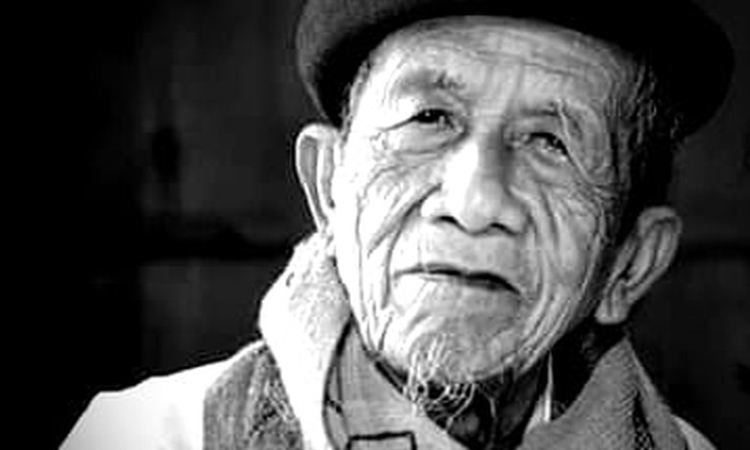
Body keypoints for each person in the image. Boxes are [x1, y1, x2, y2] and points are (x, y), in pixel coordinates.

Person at [61, 0, 734, 449]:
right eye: (428, 118)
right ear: (329, 187)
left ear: (629, 265)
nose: (474, 202)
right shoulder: (145, 438)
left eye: (550, 144)